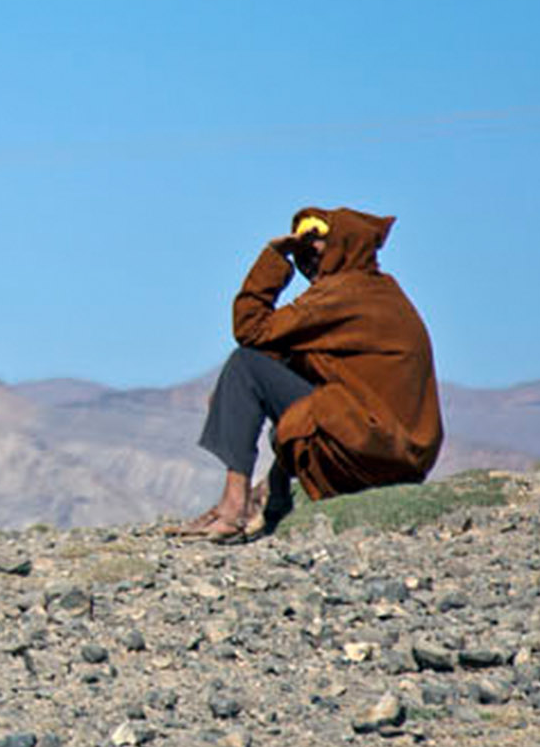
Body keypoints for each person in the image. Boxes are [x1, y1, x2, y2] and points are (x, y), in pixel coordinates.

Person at [172, 206, 443, 541]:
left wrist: (273, 257)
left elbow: (249, 330)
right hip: (396, 455)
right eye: (301, 248)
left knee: (245, 366)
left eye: (317, 243)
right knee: (270, 378)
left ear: (346, 243)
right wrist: (232, 397)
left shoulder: (344, 293)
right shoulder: (379, 292)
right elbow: (280, 356)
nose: (308, 256)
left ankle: (232, 508)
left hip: (374, 449)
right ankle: (269, 498)